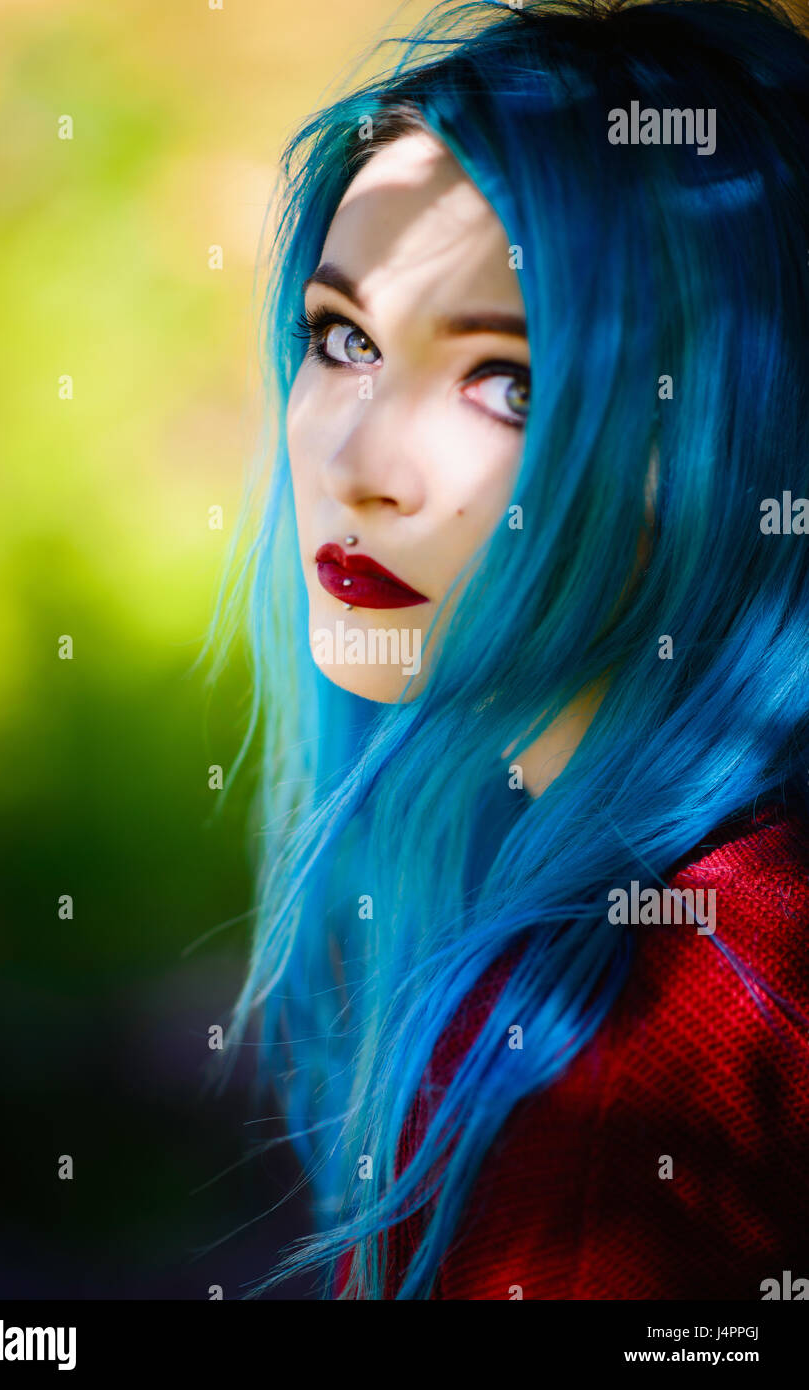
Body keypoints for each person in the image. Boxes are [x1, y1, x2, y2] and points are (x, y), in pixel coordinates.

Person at [204, 0, 809, 1298]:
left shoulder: (628, 1070)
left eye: (509, 379)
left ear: (725, 429)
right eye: (344, 339)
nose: (362, 466)